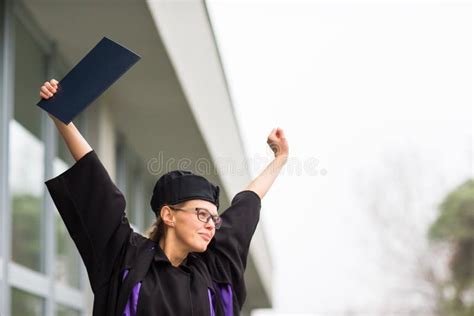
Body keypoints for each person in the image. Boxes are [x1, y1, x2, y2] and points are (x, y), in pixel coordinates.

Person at [39, 79, 289, 316]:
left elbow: (246, 205)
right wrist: (62, 119)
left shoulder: (214, 269)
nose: (211, 224)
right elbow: (99, 186)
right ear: (168, 215)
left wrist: (280, 160)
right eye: (202, 214)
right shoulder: (126, 258)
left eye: (214, 217)